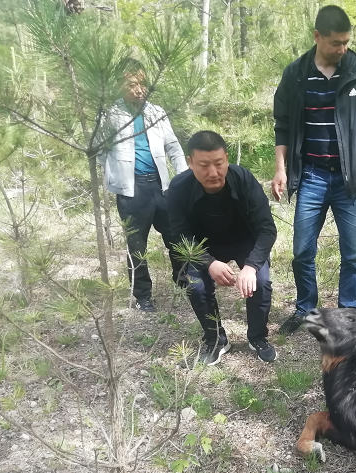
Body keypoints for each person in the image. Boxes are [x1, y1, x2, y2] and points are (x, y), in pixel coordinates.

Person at [271, 5, 356, 334]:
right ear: (317, 37)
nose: (343, 49)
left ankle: (349, 312)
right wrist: (280, 169)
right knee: (302, 251)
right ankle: (306, 309)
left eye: (347, 42)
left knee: (353, 253)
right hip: (311, 176)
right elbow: (282, 125)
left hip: (349, 178)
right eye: (336, 43)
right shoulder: (295, 74)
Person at [167, 131, 278, 365]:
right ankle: (216, 339)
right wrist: (209, 262)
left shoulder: (244, 180)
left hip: (243, 241)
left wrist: (251, 266)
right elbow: (178, 235)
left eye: (219, 163)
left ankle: (257, 337)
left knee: (261, 280)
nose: (213, 173)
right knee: (195, 286)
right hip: (201, 246)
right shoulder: (178, 187)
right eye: (204, 165)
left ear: (226, 158)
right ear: (190, 163)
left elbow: (267, 229)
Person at [97, 60, 188, 312]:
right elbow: (99, 151)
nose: (139, 90)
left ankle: (184, 282)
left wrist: (182, 178)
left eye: (142, 83)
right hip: (132, 190)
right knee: (137, 245)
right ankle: (142, 296)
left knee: (176, 236)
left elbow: (173, 147)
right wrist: (114, 174)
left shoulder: (156, 112)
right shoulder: (109, 115)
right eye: (132, 84)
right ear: (119, 84)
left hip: (161, 186)